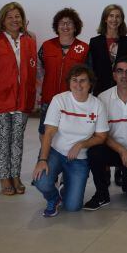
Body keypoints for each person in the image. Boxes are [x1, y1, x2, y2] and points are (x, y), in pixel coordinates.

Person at [32, 64, 108, 217]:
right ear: (69, 82)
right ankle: (53, 198)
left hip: (79, 159)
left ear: (90, 83)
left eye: (83, 81)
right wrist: (42, 159)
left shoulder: (97, 105)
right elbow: (49, 133)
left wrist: (81, 144)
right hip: (56, 152)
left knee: (73, 206)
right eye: (74, 80)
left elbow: (101, 136)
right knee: (41, 181)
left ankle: (65, 186)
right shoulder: (59, 100)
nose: (78, 85)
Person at [0, 2, 37, 196]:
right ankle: (5, 178)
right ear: (3, 20)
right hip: (0, 97)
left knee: (17, 140)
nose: (14, 20)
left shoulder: (30, 40)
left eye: (18, 16)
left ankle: (16, 176)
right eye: (10, 17)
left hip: (22, 99)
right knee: (3, 140)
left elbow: (32, 69)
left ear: (23, 19)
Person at [83, 57, 127, 210]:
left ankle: (126, 179)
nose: (124, 76)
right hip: (113, 150)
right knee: (94, 152)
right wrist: (121, 150)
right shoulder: (102, 98)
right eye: (120, 71)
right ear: (114, 75)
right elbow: (100, 133)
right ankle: (102, 194)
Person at [38, 8, 89, 137]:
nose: (65, 26)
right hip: (48, 99)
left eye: (69, 23)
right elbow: (38, 70)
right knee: (45, 132)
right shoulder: (46, 46)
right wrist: (39, 90)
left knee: (69, 134)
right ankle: (45, 156)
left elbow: (89, 75)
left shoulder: (84, 48)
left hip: (73, 100)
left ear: (75, 26)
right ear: (57, 26)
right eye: (62, 23)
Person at [88, 4, 127, 96]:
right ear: (105, 19)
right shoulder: (95, 42)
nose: (114, 19)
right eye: (111, 16)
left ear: (121, 20)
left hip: (122, 89)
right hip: (100, 90)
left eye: (118, 16)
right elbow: (91, 68)